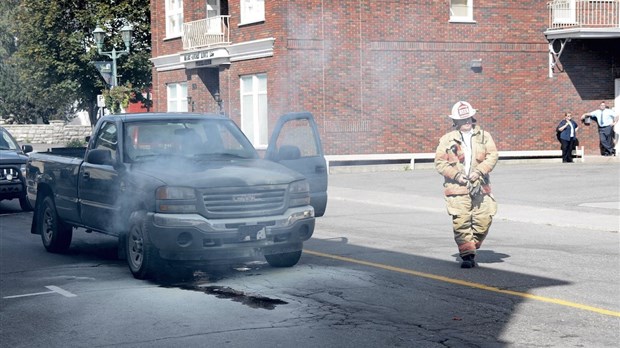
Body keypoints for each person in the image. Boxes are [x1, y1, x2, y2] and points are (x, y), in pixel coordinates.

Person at [434, 101, 499, 269]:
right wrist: (457, 176)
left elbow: (492, 156)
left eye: (469, 118)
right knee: (461, 221)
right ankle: (468, 256)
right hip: (457, 188)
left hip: (480, 186)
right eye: (462, 120)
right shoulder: (447, 140)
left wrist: (479, 171)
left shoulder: (485, 136)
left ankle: (472, 245)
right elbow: (440, 163)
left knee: (485, 219)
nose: (467, 122)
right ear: (455, 122)